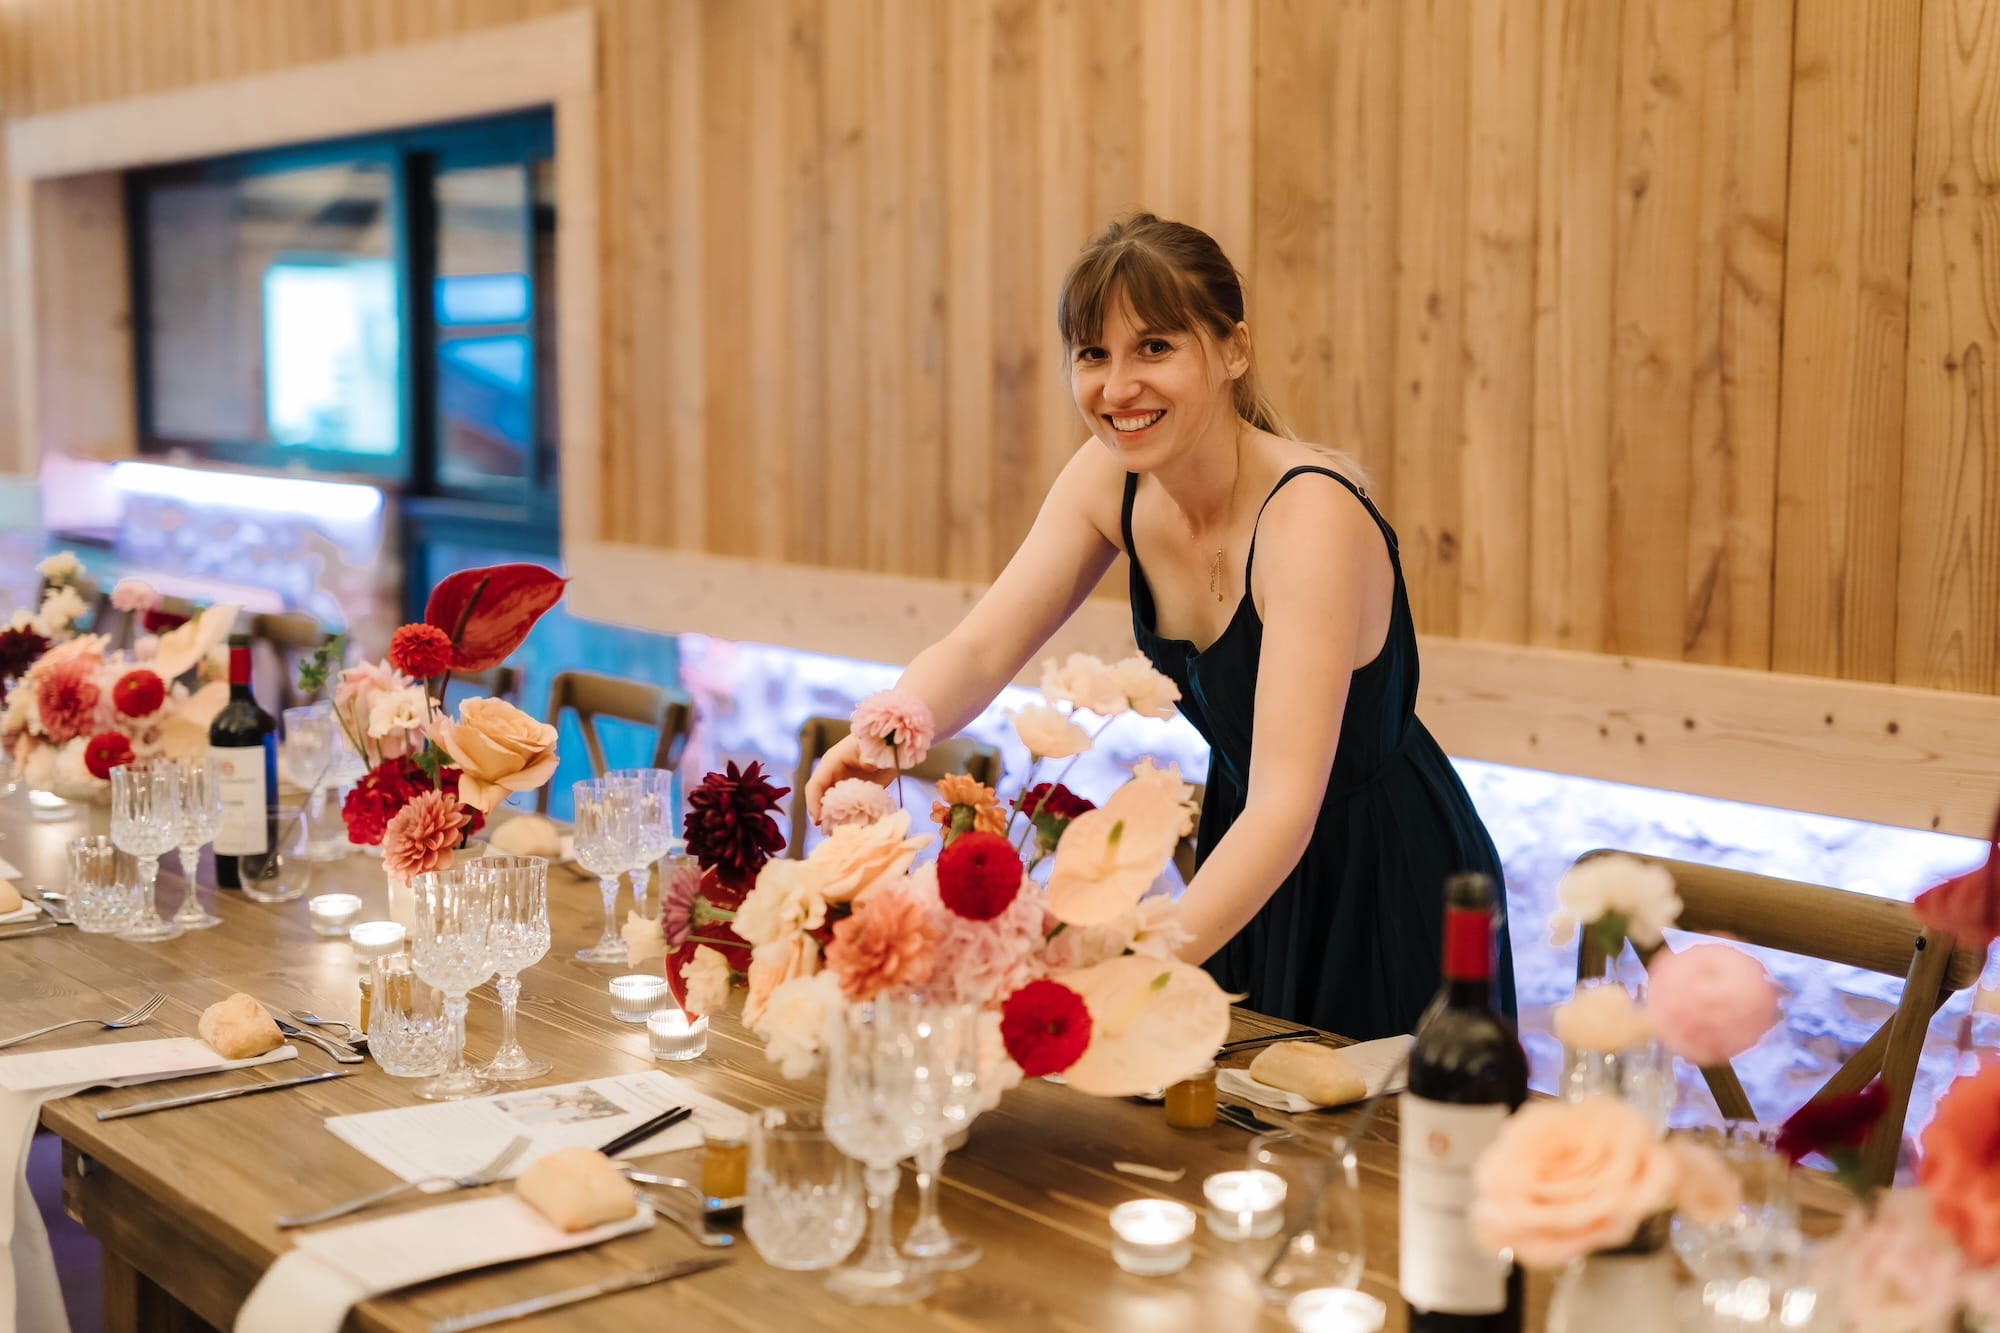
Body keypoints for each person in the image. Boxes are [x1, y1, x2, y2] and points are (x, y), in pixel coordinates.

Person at [805, 213, 1515, 1040]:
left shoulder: (1310, 516)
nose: (1118, 388)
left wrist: (1126, 966)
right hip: (1241, 851)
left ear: (1233, 350)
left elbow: (1287, 803)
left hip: (1382, 870)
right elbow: (981, 645)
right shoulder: (1110, 479)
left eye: (1154, 347)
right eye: (1093, 354)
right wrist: (890, 728)